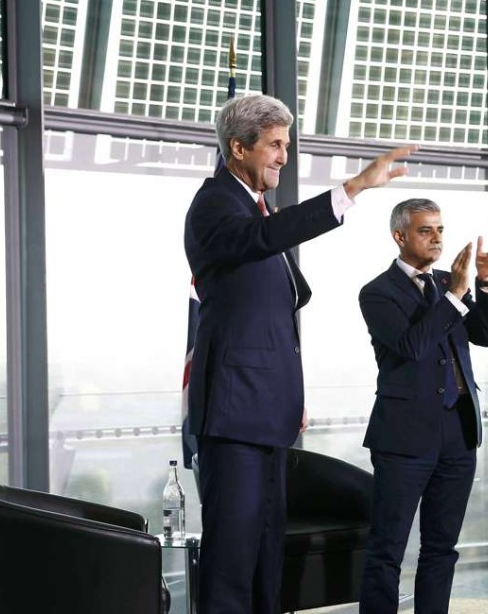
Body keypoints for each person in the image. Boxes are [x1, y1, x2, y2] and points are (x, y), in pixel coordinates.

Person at [184, 93, 413, 613]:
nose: (285, 156)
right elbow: (265, 238)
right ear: (238, 148)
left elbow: (275, 315)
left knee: (267, 558)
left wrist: (291, 395)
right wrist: (352, 189)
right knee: (232, 563)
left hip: (267, 412)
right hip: (234, 414)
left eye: (287, 144)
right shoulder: (217, 204)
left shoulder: (258, 207)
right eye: (276, 144)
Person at [357, 198, 488, 614]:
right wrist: (458, 292)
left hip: (458, 433)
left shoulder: (450, 282)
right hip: (404, 437)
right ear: (400, 236)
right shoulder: (377, 293)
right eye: (426, 230)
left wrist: (484, 282)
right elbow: (412, 345)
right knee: (387, 548)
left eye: (440, 229)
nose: (437, 238)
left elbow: (487, 335)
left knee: (442, 547)